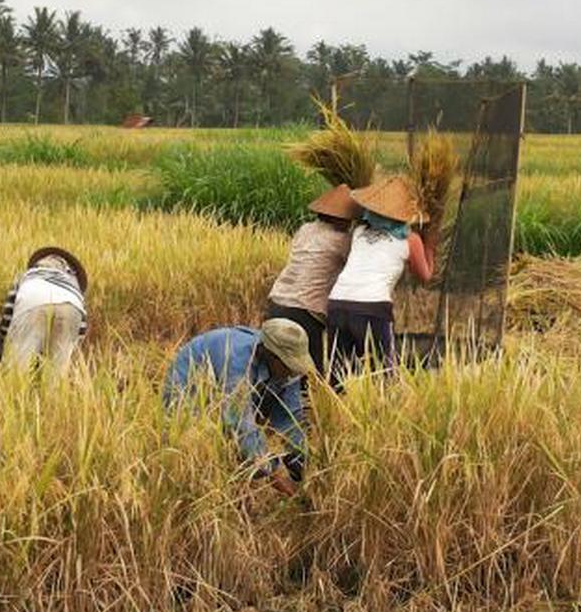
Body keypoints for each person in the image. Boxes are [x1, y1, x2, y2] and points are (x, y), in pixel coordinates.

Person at [162, 318, 314, 497]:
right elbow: (240, 422)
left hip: (230, 391)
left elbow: (290, 418)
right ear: (269, 354)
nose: (292, 371)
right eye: (288, 365)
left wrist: (302, 464)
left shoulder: (288, 371)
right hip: (190, 387)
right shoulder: (236, 360)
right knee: (204, 447)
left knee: (242, 446)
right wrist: (275, 475)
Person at [326, 177, 435, 382]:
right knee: (384, 376)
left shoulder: (358, 232)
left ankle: (333, 412)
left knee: (338, 375)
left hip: (337, 303)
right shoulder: (411, 240)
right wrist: (430, 244)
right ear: (405, 214)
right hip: (372, 308)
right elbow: (425, 276)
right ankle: (382, 413)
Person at [265, 184, 361, 375]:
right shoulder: (342, 241)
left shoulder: (305, 229)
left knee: (276, 369)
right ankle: (311, 405)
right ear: (342, 219)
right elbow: (357, 266)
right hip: (305, 311)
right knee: (309, 372)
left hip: (277, 302)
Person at [0, 246, 89, 375]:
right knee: (56, 374)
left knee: (17, 370)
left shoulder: (29, 275)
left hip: (33, 299)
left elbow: (8, 315)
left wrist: (1, 341)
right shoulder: (73, 285)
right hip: (71, 305)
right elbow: (80, 331)